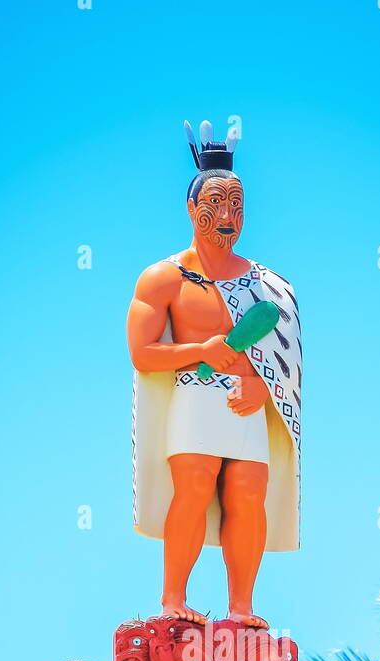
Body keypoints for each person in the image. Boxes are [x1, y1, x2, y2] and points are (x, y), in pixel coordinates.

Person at [127, 120, 302, 629]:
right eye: (216, 204)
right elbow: (143, 354)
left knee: (249, 491)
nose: (227, 216)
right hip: (194, 393)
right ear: (193, 208)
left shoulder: (268, 286)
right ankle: (174, 600)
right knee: (196, 484)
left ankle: (241, 608)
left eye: (236, 205)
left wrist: (263, 388)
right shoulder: (164, 277)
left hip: (248, 402)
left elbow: (288, 362)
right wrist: (198, 349)